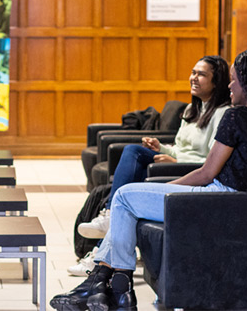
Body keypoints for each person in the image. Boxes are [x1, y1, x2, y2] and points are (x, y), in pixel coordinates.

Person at [50, 48, 247, 311]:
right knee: (130, 202)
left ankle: (112, 289)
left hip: (216, 200)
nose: (229, 85)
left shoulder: (236, 117)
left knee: (123, 197)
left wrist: (163, 188)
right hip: (243, 206)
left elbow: (205, 173)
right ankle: (104, 289)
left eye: (234, 79)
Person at [76, 56, 232, 240]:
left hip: (191, 171)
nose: (194, 78)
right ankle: (110, 220)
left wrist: (175, 161)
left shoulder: (223, 114)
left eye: (201, 74)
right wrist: (162, 149)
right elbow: (179, 148)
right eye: (193, 72)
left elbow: (213, 161)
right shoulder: (192, 109)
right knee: (133, 152)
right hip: (175, 164)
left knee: (135, 175)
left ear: (217, 82)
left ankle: (109, 227)